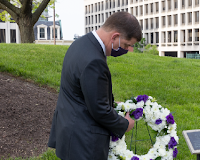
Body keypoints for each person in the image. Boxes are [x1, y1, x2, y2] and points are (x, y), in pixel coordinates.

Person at [48, 12, 142, 160]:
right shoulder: (94, 61)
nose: (128, 50)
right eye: (126, 45)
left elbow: (83, 91)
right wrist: (124, 124)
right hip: (84, 142)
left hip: (69, 131)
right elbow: (99, 110)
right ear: (114, 36)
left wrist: (111, 103)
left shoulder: (81, 43)